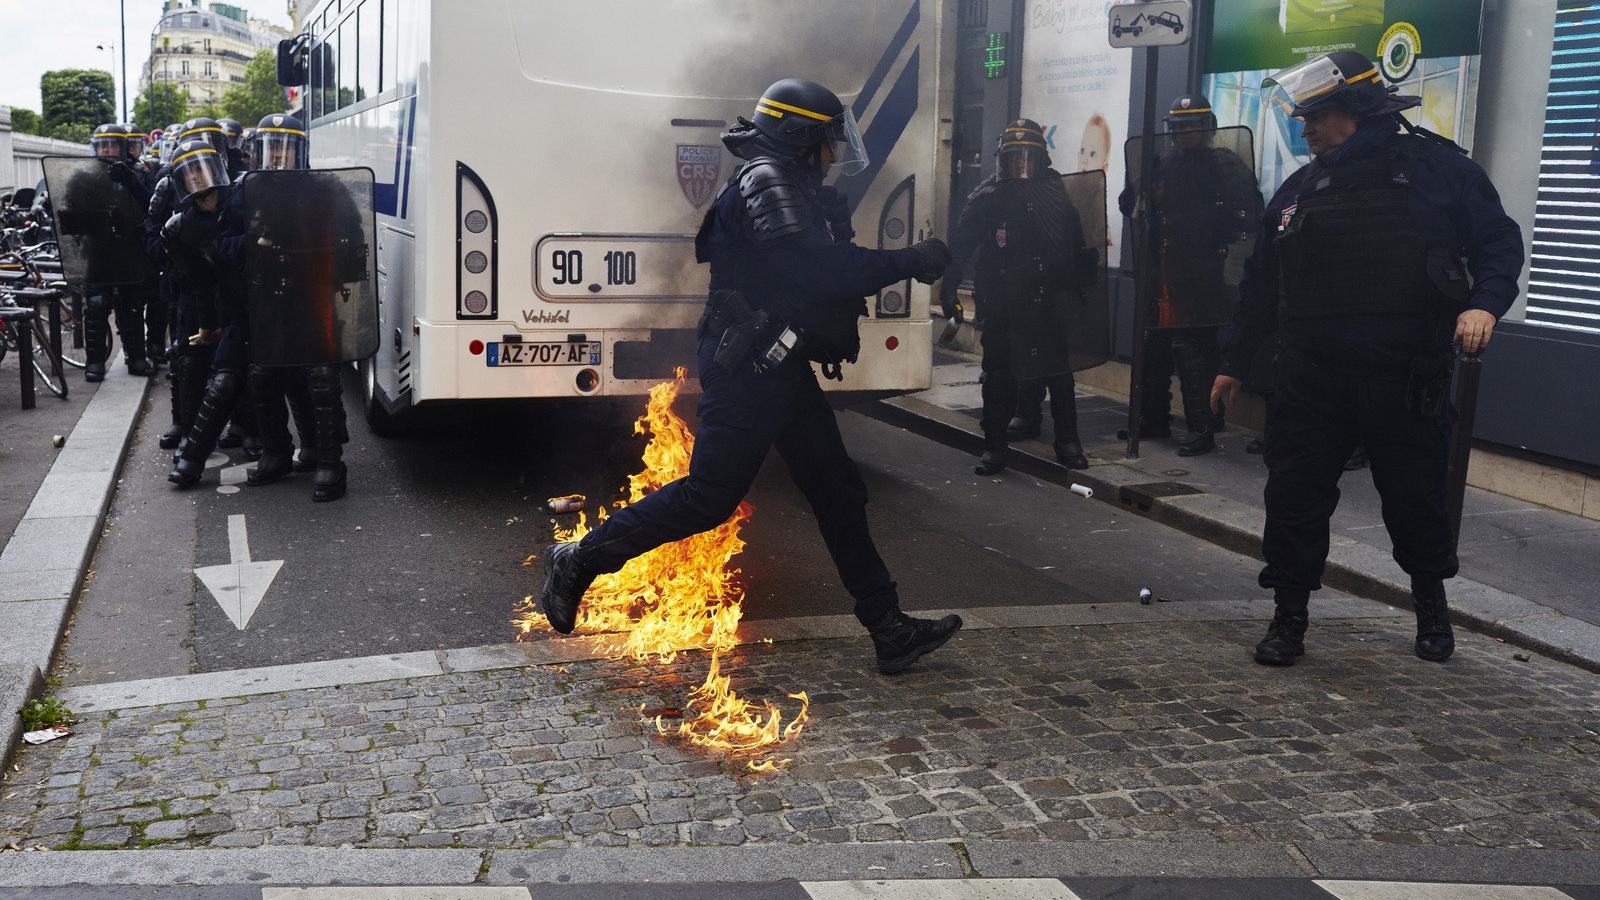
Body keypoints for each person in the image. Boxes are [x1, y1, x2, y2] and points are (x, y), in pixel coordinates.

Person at [537, 78, 960, 675]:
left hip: (779, 366)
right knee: (710, 497)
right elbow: (823, 271)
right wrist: (912, 262)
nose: (833, 156)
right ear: (797, 137)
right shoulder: (768, 180)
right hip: (748, 368)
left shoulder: (790, 183)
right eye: (827, 142)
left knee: (837, 490)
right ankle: (578, 558)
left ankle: (887, 627)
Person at [1210, 51, 1524, 666]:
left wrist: (1484, 305)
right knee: (1295, 497)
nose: (1306, 130)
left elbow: (1498, 242)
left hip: (1402, 374)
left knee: (1414, 499)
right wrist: (1234, 361)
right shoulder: (1302, 189)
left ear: (1354, 110)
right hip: (1311, 377)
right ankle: (1289, 618)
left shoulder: (1435, 170)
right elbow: (1261, 285)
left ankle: (1431, 607)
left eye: (1316, 118)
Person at [944, 119, 1096, 474]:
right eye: (1015, 159)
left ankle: (1068, 441)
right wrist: (949, 290)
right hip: (1003, 302)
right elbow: (961, 248)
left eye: (1028, 159)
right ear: (1003, 160)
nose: (1021, 167)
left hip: (1047, 298)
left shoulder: (1056, 191)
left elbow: (1074, 238)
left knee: (1058, 373)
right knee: (999, 374)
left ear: (1041, 160)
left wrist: (1084, 271)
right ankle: (994, 447)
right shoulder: (987, 197)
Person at [1120, 95, 1263, 456]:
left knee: (1194, 355)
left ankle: (1203, 427)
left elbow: (1248, 213)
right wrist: (1139, 185)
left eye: (1192, 125)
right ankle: (1152, 419)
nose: (1185, 133)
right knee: (1152, 349)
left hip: (1202, 273)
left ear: (1209, 128)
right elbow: (1130, 203)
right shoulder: (1161, 164)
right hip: (1161, 271)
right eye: (1179, 127)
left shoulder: (1224, 166)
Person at [230, 113, 357, 502]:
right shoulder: (245, 190)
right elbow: (225, 243)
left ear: (300, 152)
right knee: (265, 376)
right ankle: (276, 453)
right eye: (272, 148)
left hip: (314, 297)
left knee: (320, 380)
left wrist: (340, 276)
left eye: (286, 148)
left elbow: (352, 237)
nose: (279, 157)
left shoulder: (327, 188)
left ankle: (329, 463)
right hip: (268, 299)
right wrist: (250, 244)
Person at [159, 136, 242, 487]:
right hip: (227, 307)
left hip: (262, 301)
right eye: (191, 174)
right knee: (218, 374)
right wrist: (209, 324)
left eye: (204, 170)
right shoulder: (183, 226)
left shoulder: (241, 202)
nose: (200, 179)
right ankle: (191, 457)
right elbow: (198, 282)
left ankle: (282, 448)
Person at [80, 123, 155, 381]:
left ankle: (136, 356)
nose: (108, 149)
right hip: (98, 251)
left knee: (131, 305)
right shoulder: (86, 176)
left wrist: (132, 182)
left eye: (113, 144)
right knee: (96, 305)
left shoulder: (140, 173)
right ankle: (95, 361)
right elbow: (70, 209)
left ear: (124, 148)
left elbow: (151, 206)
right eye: (102, 145)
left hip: (129, 250)